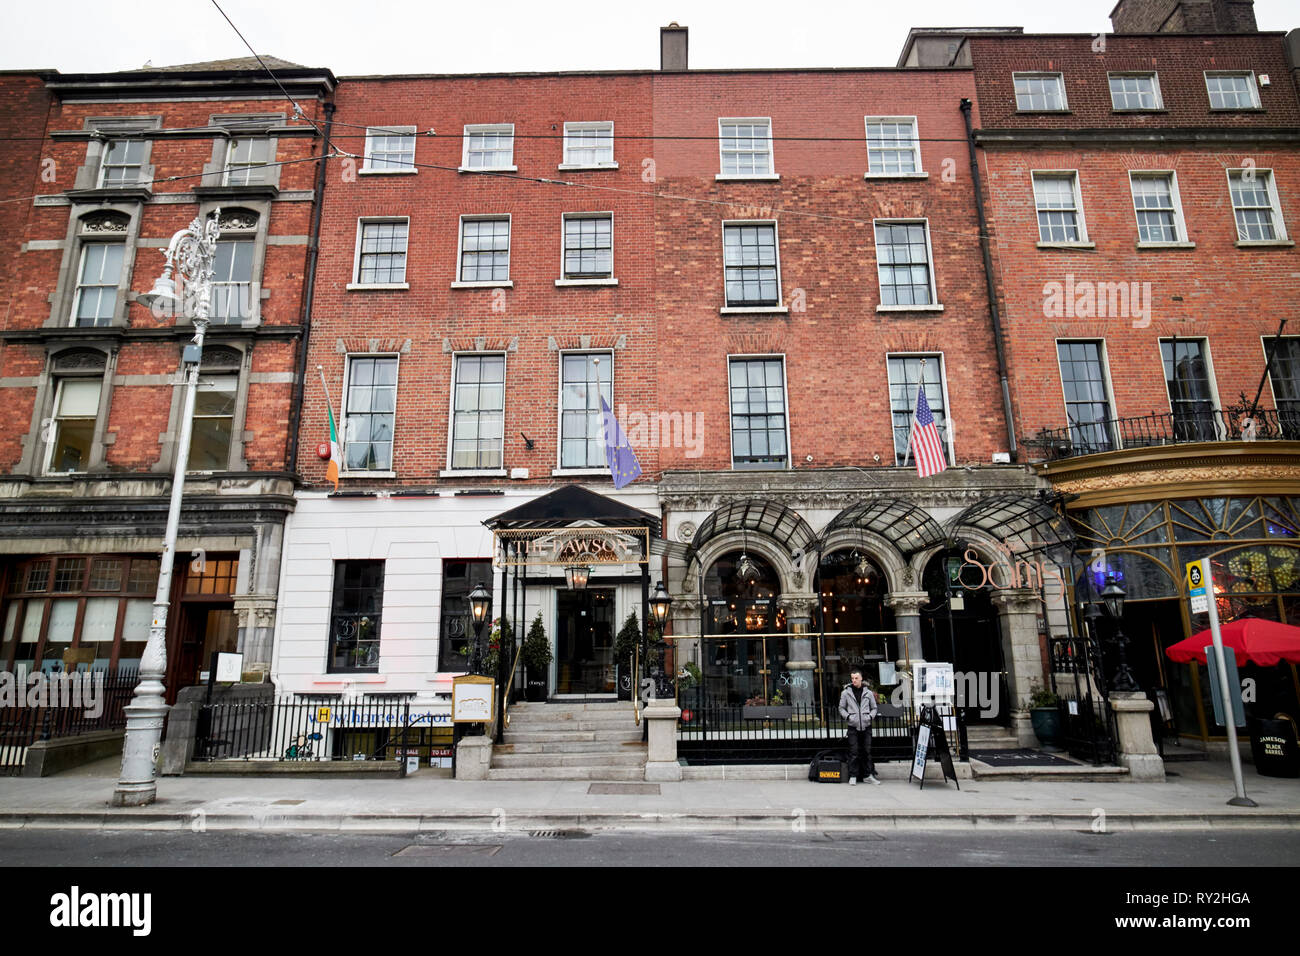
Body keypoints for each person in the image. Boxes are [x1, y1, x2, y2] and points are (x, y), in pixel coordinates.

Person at [839, 668, 881, 785]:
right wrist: (848, 717)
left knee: (867, 751)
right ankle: (853, 775)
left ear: (861, 678)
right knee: (854, 751)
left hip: (866, 726)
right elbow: (841, 708)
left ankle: (868, 775)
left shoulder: (868, 693)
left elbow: (874, 708)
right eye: (852, 678)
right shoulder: (846, 693)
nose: (854, 680)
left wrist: (870, 717)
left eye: (856, 678)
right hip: (853, 726)